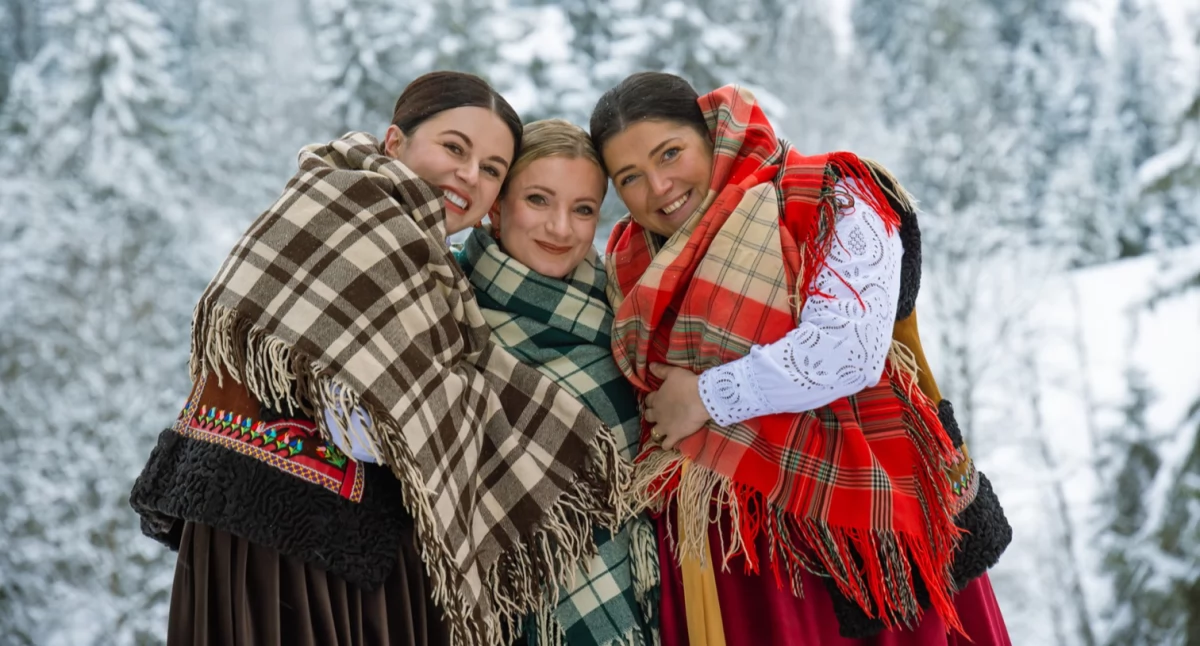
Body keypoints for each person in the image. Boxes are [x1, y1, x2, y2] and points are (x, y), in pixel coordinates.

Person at [130, 71, 629, 646]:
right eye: (454, 147)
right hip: (278, 539)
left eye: (491, 169)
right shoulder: (352, 209)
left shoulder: (422, 256)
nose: (469, 175)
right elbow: (362, 417)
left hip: (328, 537)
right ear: (396, 143)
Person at [589, 72, 1013, 645]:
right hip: (729, 555)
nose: (659, 187)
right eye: (630, 177)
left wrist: (705, 397)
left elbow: (849, 350)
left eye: (671, 153)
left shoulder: (829, 196)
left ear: (712, 134)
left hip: (862, 523)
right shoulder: (630, 260)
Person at [451, 118, 660, 646]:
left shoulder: (625, 307)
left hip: (653, 599)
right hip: (510, 612)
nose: (561, 229)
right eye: (539, 200)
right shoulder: (447, 308)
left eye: (583, 209)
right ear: (496, 206)